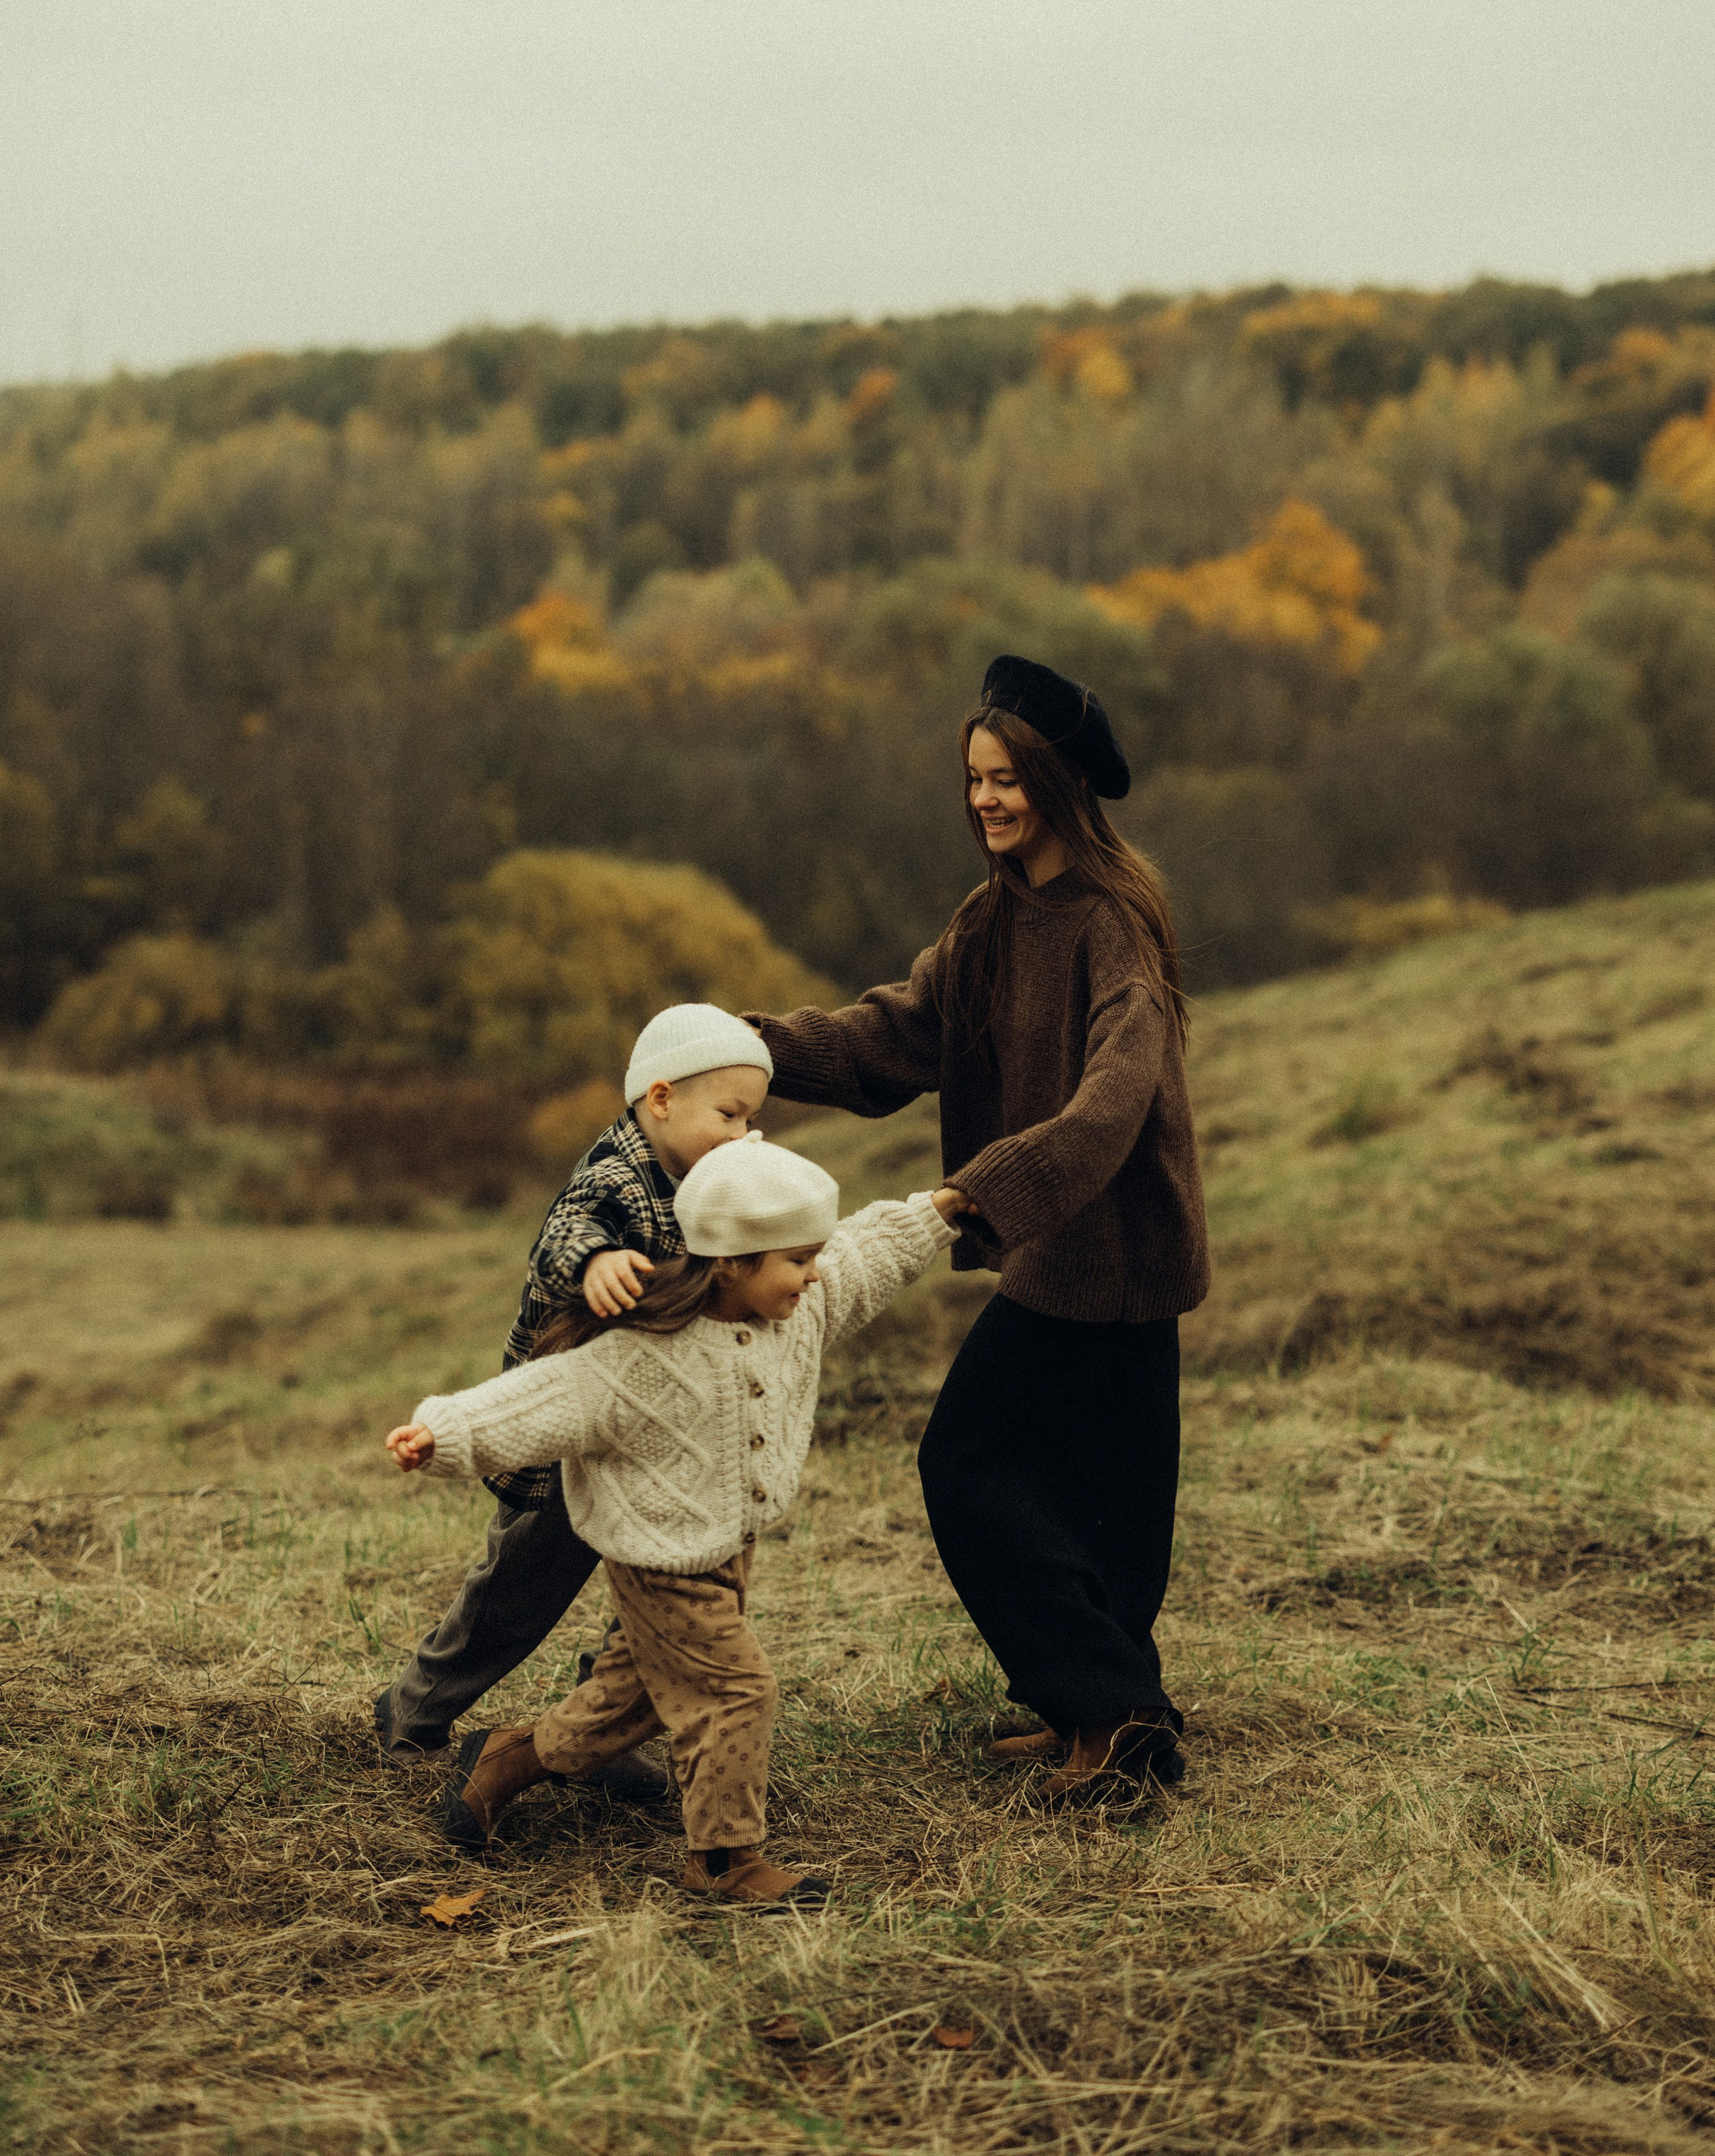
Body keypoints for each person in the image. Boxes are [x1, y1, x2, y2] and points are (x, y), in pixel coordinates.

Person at [746, 653, 1209, 1805]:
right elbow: (886, 1039)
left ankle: (1113, 1714)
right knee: (1087, 1497)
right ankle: (1101, 1709)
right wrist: (742, 1048)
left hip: (1119, 1255)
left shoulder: (1116, 929)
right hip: (1056, 1251)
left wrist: (977, 1192)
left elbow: (1110, 1106)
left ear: (1056, 782)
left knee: (971, 1466)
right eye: (974, 779)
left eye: (1006, 779)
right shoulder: (992, 920)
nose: (987, 800)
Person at [383, 1138, 967, 1909]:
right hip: (658, 1558)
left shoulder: (800, 1310)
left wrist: (937, 1212)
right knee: (734, 1692)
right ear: (731, 1260)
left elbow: (865, 1257)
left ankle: (503, 1760)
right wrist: (444, 1433)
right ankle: (724, 1862)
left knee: (639, 1698)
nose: (815, 1272)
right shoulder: (641, 1358)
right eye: (797, 1258)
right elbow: (542, 1398)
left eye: (813, 1254)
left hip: (726, 1545)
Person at [372, 1003, 775, 1792]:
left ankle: (593, 1735)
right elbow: (563, 1234)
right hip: (569, 1429)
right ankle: (414, 1707)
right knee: (524, 1584)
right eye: (729, 1114)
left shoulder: (706, 1174)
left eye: (751, 1118)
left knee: (656, 1587)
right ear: (661, 1100)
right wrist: (595, 1265)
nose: (742, 1133)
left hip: (653, 1428)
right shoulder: (615, 1176)